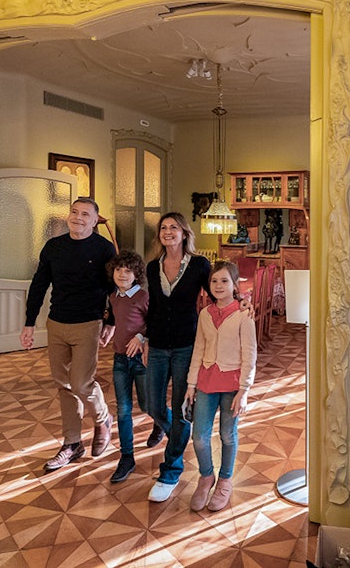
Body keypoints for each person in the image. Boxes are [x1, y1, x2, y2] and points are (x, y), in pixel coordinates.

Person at [20, 197, 116, 473]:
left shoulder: (103, 249)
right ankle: (72, 443)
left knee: (81, 382)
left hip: (89, 322)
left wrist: (112, 321)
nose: (78, 218)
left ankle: (103, 418)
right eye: (74, 212)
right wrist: (29, 323)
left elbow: (114, 288)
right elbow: (39, 285)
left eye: (86, 214)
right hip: (57, 322)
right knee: (63, 384)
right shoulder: (54, 247)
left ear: (95, 220)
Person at [143, 212, 214, 502]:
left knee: (180, 406)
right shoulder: (151, 267)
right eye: (164, 228)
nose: (168, 232)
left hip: (187, 345)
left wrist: (239, 304)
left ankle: (170, 470)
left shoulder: (199, 265)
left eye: (174, 227)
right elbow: (154, 307)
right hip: (158, 345)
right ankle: (176, 432)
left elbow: (214, 293)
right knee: (151, 404)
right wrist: (144, 337)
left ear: (184, 233)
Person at [184, 260, 257, 512]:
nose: (218, 285)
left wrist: (244, 390)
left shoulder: (243, 314)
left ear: (234, 285)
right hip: (206, 380)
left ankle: (225, 479)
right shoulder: (205, 314)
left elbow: (250, 354)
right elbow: (198, 349)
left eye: (224, 281)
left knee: (228, 434)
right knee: (200, 436)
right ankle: (207, 476)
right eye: (214, 281)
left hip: (232, 383)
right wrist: (191, 384)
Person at [104, 250, 165, 484]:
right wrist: (107, 331)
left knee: (149, 404)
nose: (122, 274)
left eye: (128, 271)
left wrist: (141, 337)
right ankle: (126, 457)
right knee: (123, 410)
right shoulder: (113, 297)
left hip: (141, 360)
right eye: (118, 270)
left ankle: (171, 428)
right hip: (120, 360)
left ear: (136, 274)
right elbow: (114, 319)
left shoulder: (143, 297)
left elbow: (154, 323)